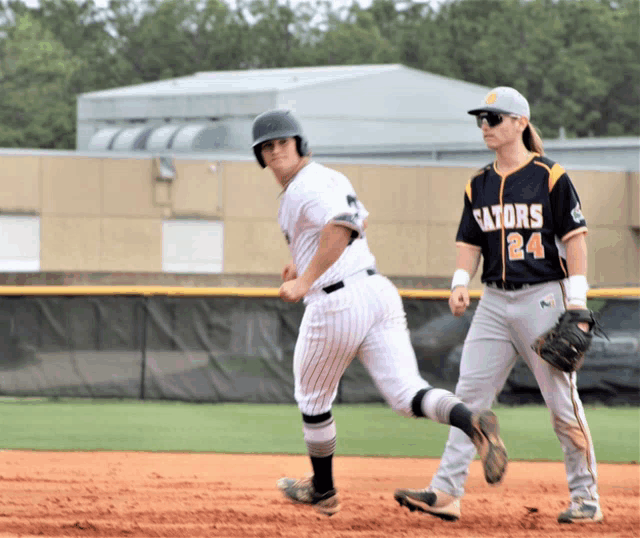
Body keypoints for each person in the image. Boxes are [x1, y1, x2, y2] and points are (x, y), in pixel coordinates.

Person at [250, 108, 508, 517]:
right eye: (268, 146)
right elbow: (359, 219)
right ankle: (469, 419)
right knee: (408, 394)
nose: (276, 150)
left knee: (312, 400)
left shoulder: (303, 186)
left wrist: (304, 281)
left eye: (282, 142)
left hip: (337, 302)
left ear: (299, 144)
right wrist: (302, 263)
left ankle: (323, 490)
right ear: (260, 156)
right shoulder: (330, 177)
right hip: (377, 291)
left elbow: (342, 226)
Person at [394, 87, 602, 524]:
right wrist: (457, 282)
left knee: (562, 403)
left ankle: (586, 498)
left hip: (542, 296)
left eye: (494, 118)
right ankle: (446, 491)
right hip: (493, 302)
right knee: (468, 398)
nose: (485, 126)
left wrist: (577, 305)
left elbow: (576, 240)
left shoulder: (550, 176)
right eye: (481, 119)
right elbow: (469, 242)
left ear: (521, 123)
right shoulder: (479, 183)